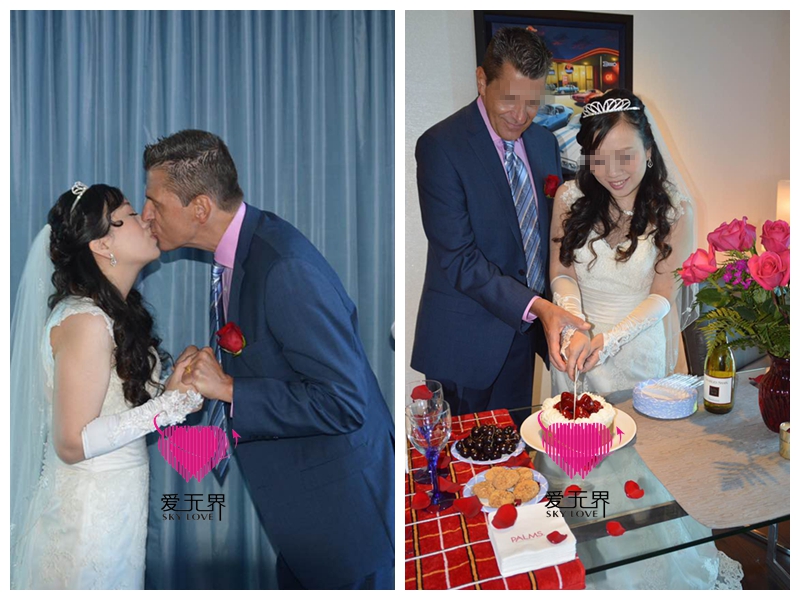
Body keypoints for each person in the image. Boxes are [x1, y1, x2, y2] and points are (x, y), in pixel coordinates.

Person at [141, 130, 394, 590]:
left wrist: (229, 388)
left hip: (345, 523)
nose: (146, 215)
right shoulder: (240, 252)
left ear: (200, 208)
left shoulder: (282, 267)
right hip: (303, 516)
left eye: (155, 203)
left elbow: (344, 401)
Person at [543, 89, 743, 589]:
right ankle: (590, 575)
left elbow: (662, 294)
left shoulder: (673, 209)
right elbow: (562, 273)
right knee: (585, 478)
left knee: (642, 478)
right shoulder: (569, 199)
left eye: (625, 156)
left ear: (649, 151)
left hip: (637, 356)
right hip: (576, 354)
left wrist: (608, 340)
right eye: (599, 158)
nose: (612, 171)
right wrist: (574, 323)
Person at [10, 184, 202, 589]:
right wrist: (167, 406)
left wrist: (172, 388)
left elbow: (114, 407)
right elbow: (71, 443)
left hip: (117, 509)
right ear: (101, 244)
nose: (145, 219)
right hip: (85, 522)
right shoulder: (86, 321)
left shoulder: (113, 313)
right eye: (130, 215)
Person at [411, 27, 589, 422]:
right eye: (510, 99)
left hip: (523, 338)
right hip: (464, 345)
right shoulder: (441, 146)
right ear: (482, 80)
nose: (521, 115)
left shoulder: (543, 142)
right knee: (465, 458)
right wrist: (538, 307)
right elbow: (458, 258)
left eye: (532, 102)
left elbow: (551, 235)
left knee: (516, 453)